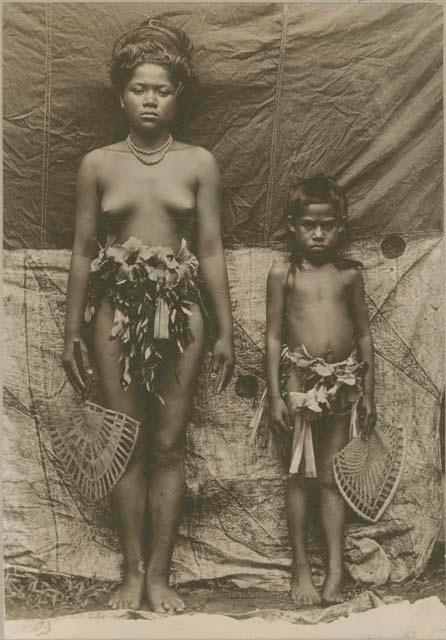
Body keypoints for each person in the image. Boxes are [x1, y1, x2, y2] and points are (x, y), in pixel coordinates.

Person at [62, 19, 234, 613]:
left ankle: (162, 574)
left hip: (182, 314)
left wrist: (225, 330)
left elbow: (210, 250)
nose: (151, 99)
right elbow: (83, 252)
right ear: (121, 94)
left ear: (178, 95)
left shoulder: (199, 164)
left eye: (161, 89)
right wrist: (70, 333)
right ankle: (130, 571)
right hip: (113, 313)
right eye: (139, 88)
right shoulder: (98, 165)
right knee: (127, 442)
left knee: (166, 444)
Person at [265, 175, 376, 606]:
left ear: (341, 225)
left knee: (330, 480)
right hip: (299, 385)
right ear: (292, 226)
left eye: (327, 224)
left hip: (343, 385)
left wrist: (368, 392)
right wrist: (275, 395)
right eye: (309, 224)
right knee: (297, 478)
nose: (318, 233)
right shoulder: (283, 274)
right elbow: (274, 337)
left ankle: (334, 570)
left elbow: (365, 337)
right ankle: (300, 569)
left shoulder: (349, 276)